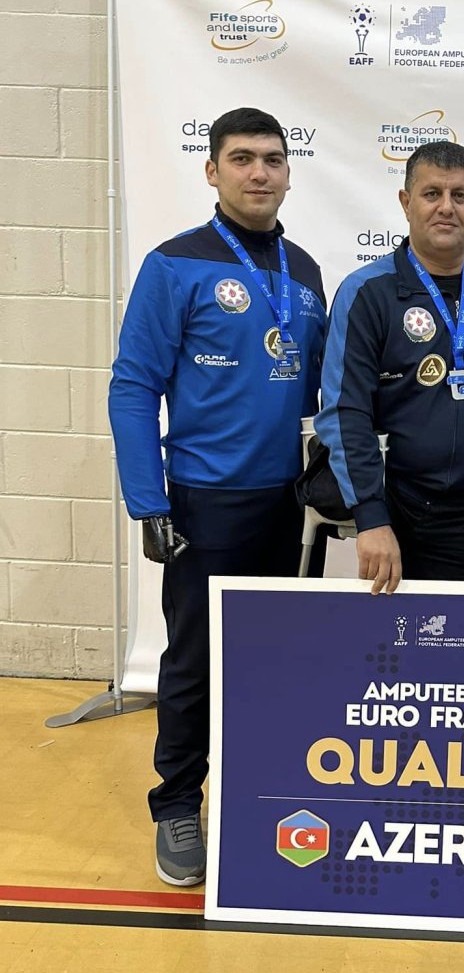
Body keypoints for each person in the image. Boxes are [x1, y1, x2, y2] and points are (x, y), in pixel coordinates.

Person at [109, 106, 326, 888]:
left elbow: (322, 393)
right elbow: (134, 386)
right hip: (206, 503)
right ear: (212, 170)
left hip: (290, 506)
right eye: (241, 158)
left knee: (277, 658)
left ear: (289, 172)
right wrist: (149, 501)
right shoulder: (174, 264)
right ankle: (176, 802)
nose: (258, 172)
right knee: (194, 661)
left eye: (272, 158)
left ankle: (259, 791)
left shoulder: (305, 271)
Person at [316, 140, 464, 593]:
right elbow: (345, 411)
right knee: (386, 633)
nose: (446, 207)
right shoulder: (367, 292)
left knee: (449, 630)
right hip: (393, 506)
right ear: (406, 202)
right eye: (431, 194)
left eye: (460, 195)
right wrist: (371, 517)